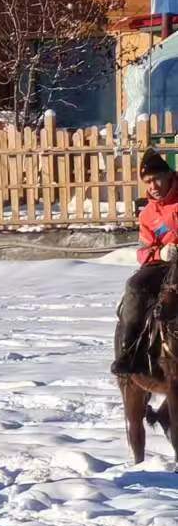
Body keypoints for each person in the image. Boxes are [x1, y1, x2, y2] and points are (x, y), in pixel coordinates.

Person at [111, 148, 178, 377]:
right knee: (134, 286)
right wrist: (160, 253)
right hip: (161, 266)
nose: (153, 186)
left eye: (156, 179)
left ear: (169, 175)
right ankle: (129, 353)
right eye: (148, 182)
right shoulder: (148, 214)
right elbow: (143, 252)